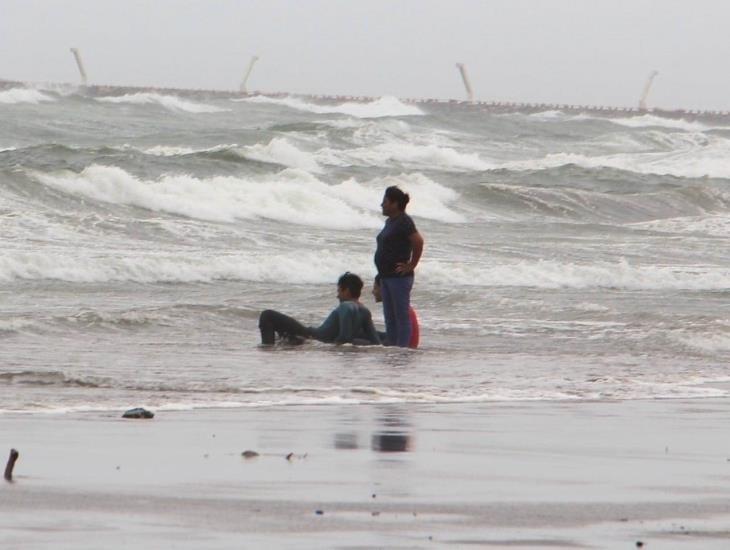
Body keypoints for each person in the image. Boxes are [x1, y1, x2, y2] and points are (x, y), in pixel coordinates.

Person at [258, 272, 380, 346]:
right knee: (283, 337)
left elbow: (344, 339)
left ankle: (267, 349)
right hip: (316, 338)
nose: (337, 296)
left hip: (312, 336)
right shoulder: (365, 311)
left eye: (339, 291)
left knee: (267, 315)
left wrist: (318, 346)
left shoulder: (346, 307)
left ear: (346, 290)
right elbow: (376, 342)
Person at [374, 186, 424, 347]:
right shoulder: (390, 221)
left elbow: (418, 241)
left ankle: (403, 352)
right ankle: (393, 349)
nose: (382, 205)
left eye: (385, 201)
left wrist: (412, 265)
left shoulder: (404, 221)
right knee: (390, 317)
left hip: (399, 278)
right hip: (386, 276)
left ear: (395, 204)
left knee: (401, 317)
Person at [372, 276, 419, 348]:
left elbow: (397, 337)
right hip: (406, 344)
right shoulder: (400, 306)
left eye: (375, 288)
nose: (373, 292)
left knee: (357, 340)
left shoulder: (395, 308)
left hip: (407, 346)